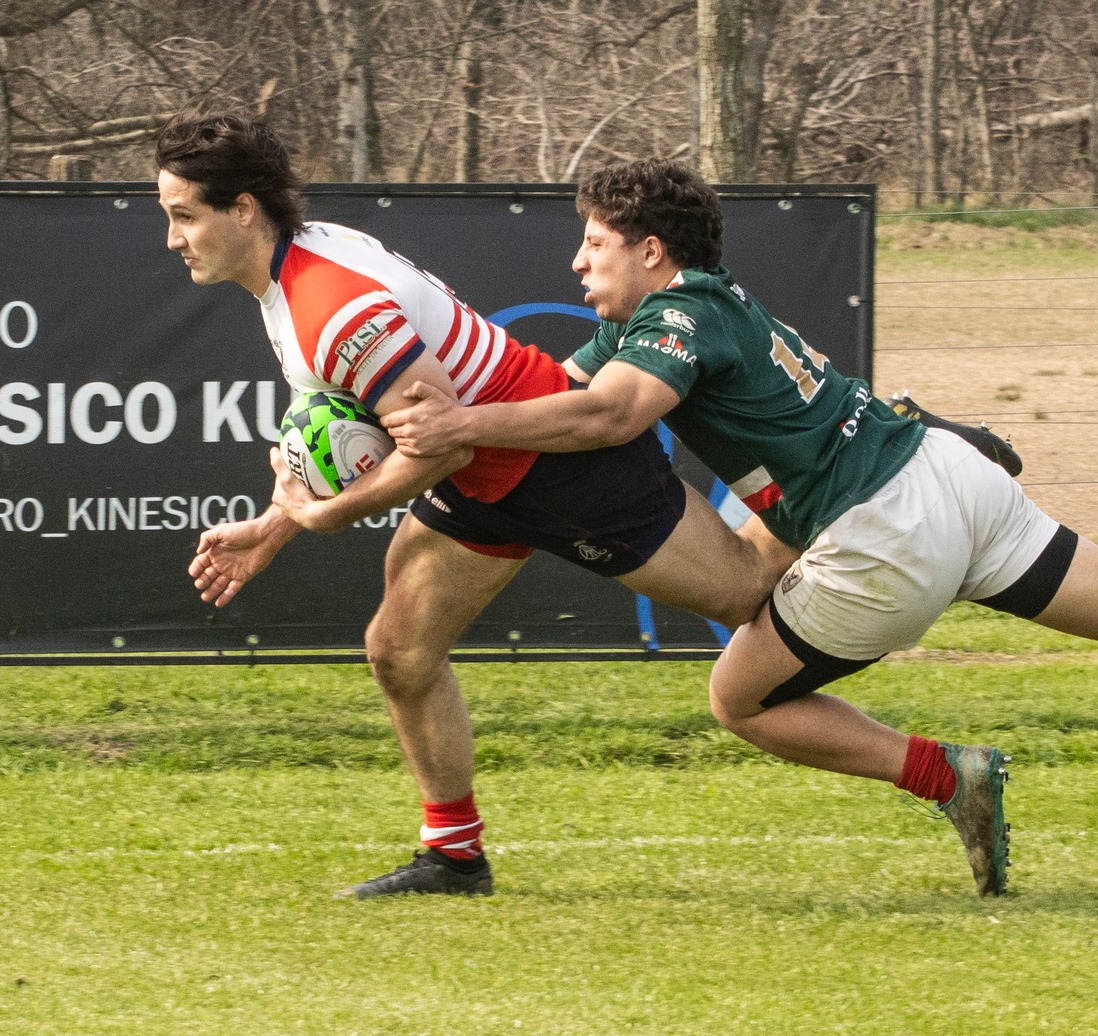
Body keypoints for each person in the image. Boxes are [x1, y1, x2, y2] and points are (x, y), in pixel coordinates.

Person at [383, 159, 1098, 896]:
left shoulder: (677, 316)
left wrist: (457, 418)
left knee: (739, 696)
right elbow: (561, 394)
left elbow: (608, 416)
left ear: (654, 252)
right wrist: (347, 486)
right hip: (943, 473)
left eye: (594, 243)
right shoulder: (718, 307)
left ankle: (950, 776)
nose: (577, 264)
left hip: (883, 527)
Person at [156, 116, 795, 899]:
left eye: (185, 215)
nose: (172, 238)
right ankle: (455, 858)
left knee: (749, 590)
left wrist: (326, 517)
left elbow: (442, 443)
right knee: (399, 649)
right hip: (481, 479)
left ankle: (832, 480)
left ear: (244, 210)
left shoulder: (329, 304)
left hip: (557, 463)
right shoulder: (296, 270)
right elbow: (329, 428)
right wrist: (275, 524)